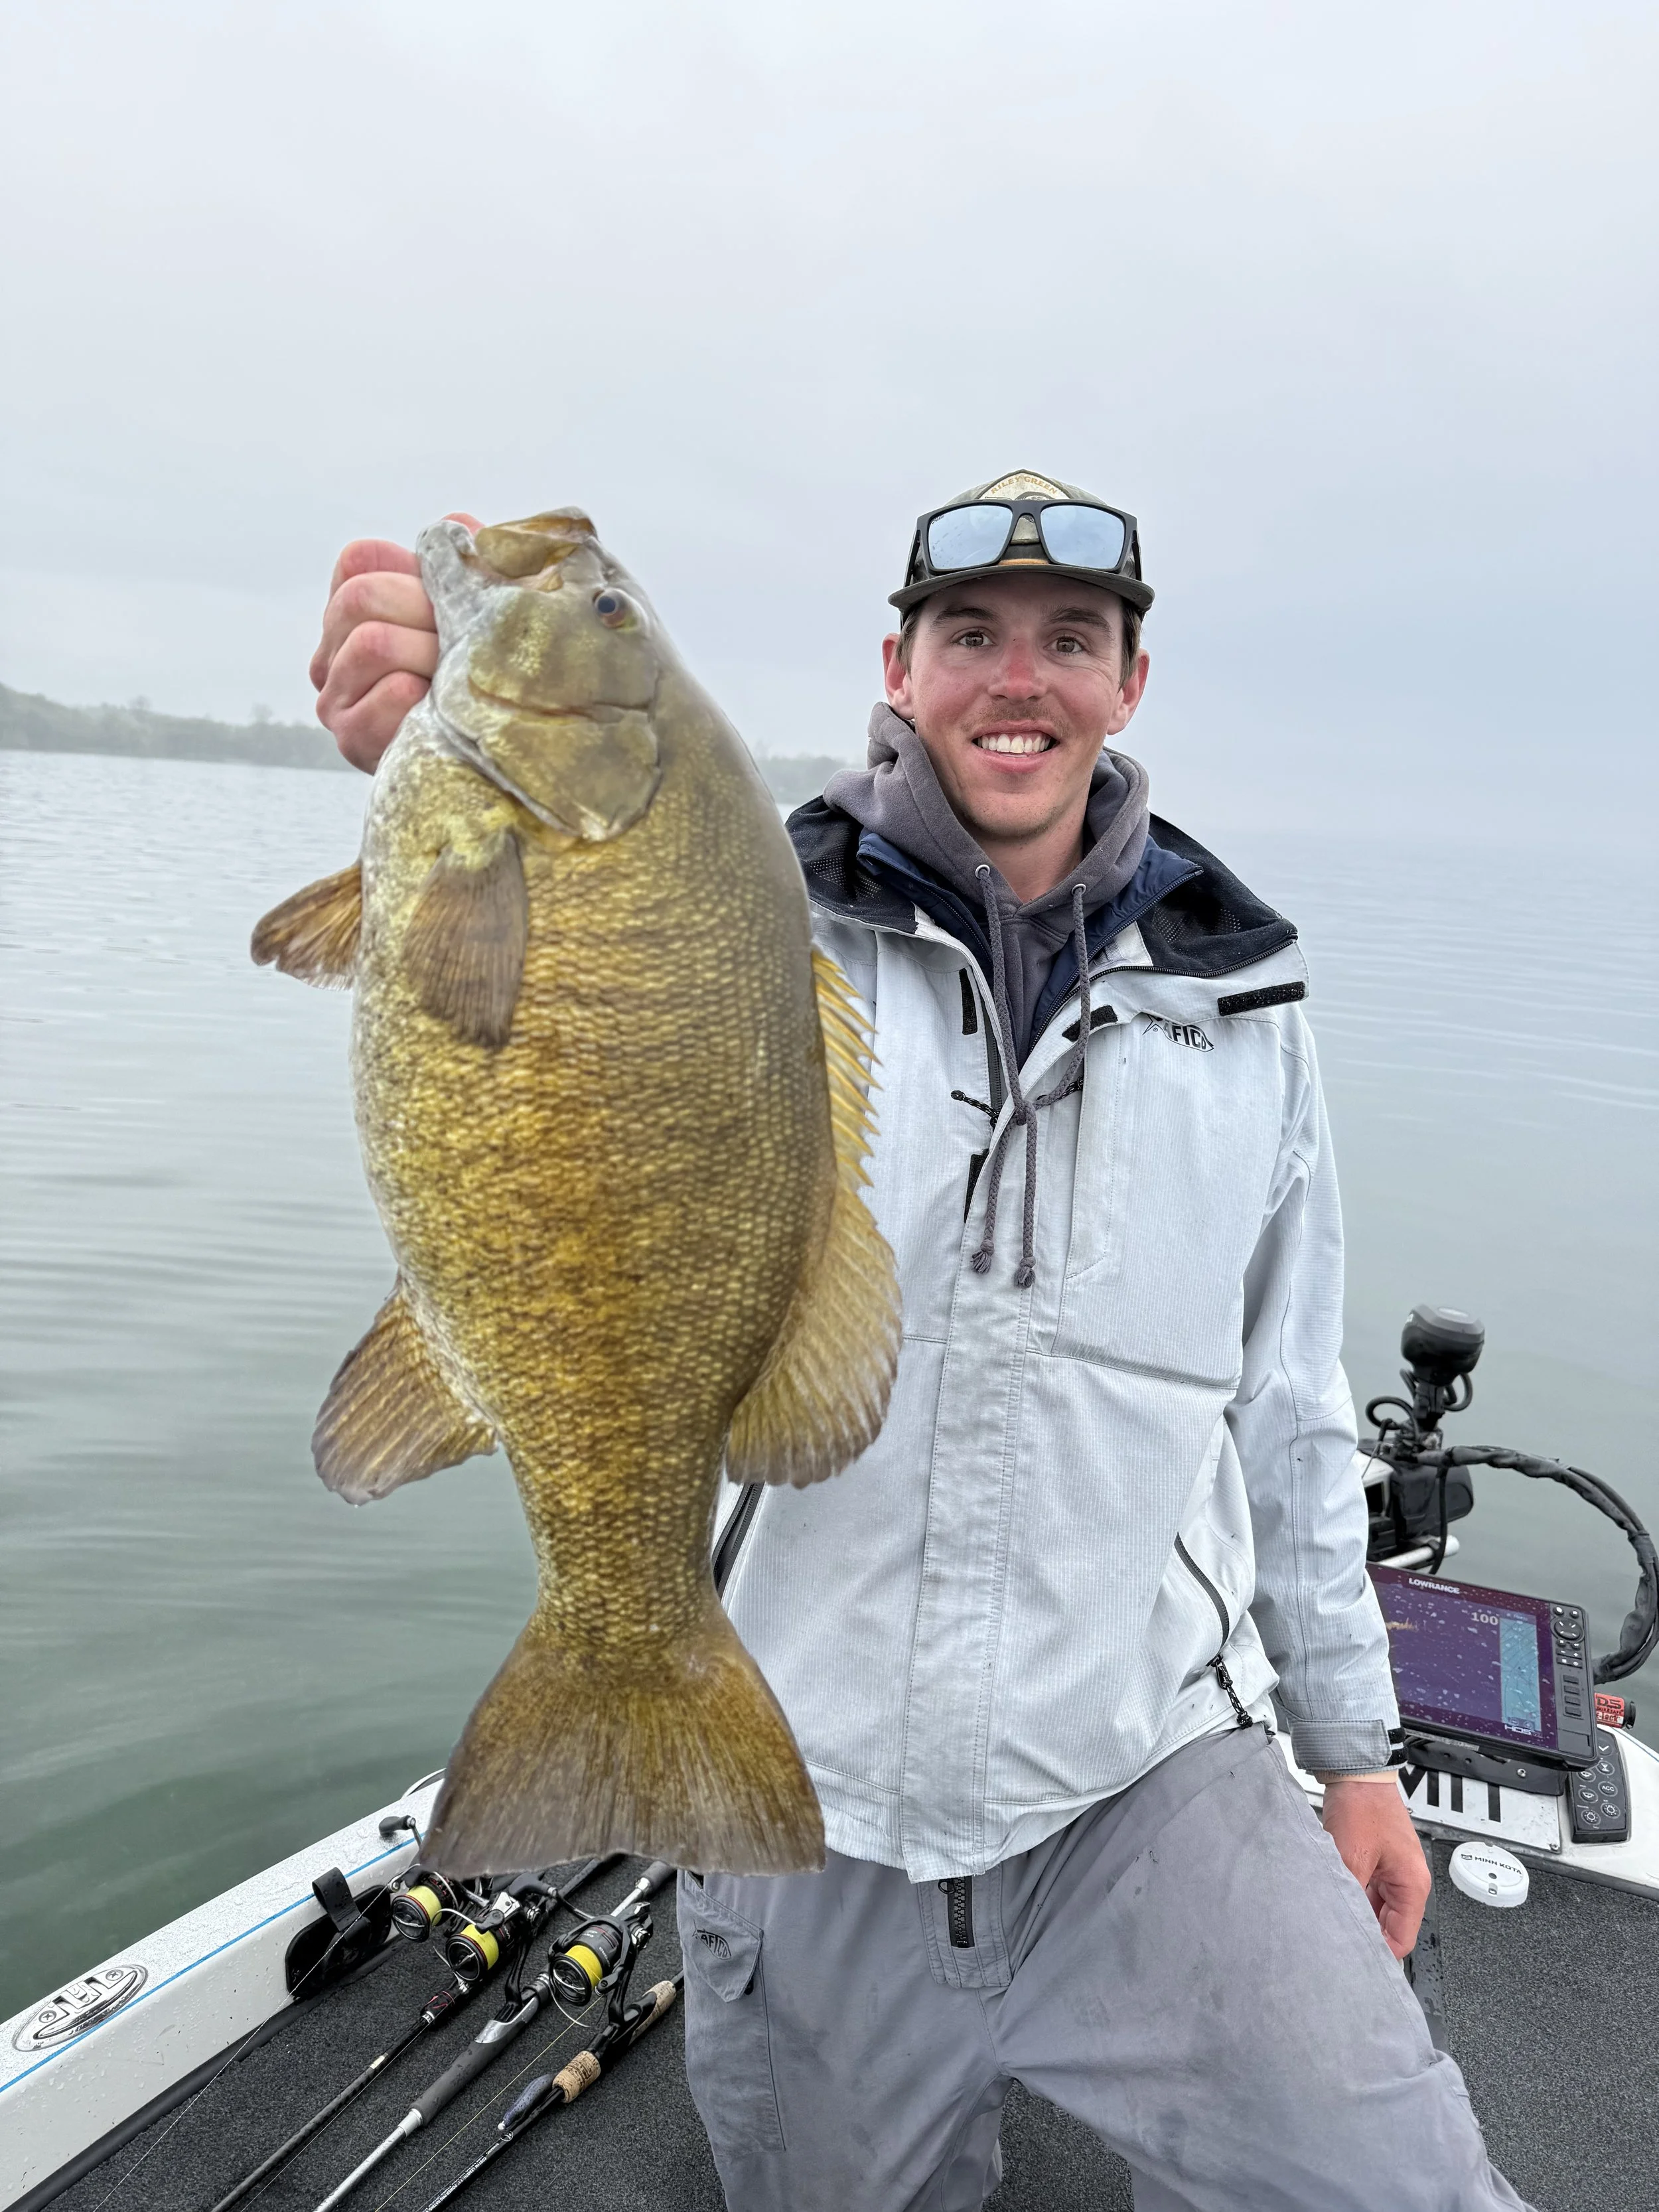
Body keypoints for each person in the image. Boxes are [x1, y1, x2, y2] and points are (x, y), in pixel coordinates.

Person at [311, 471, 1530, 2211]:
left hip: (1141, 1784)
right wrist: (430, 724)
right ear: (896, 664)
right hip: (805, 1789)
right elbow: (520, 992)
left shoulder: (1243, 1002)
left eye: (1066, 641)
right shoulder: (738, 903)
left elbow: (1289, 1406)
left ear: (1129, 682)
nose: (1013, 678)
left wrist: (1349, 1755)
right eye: (969, 636)